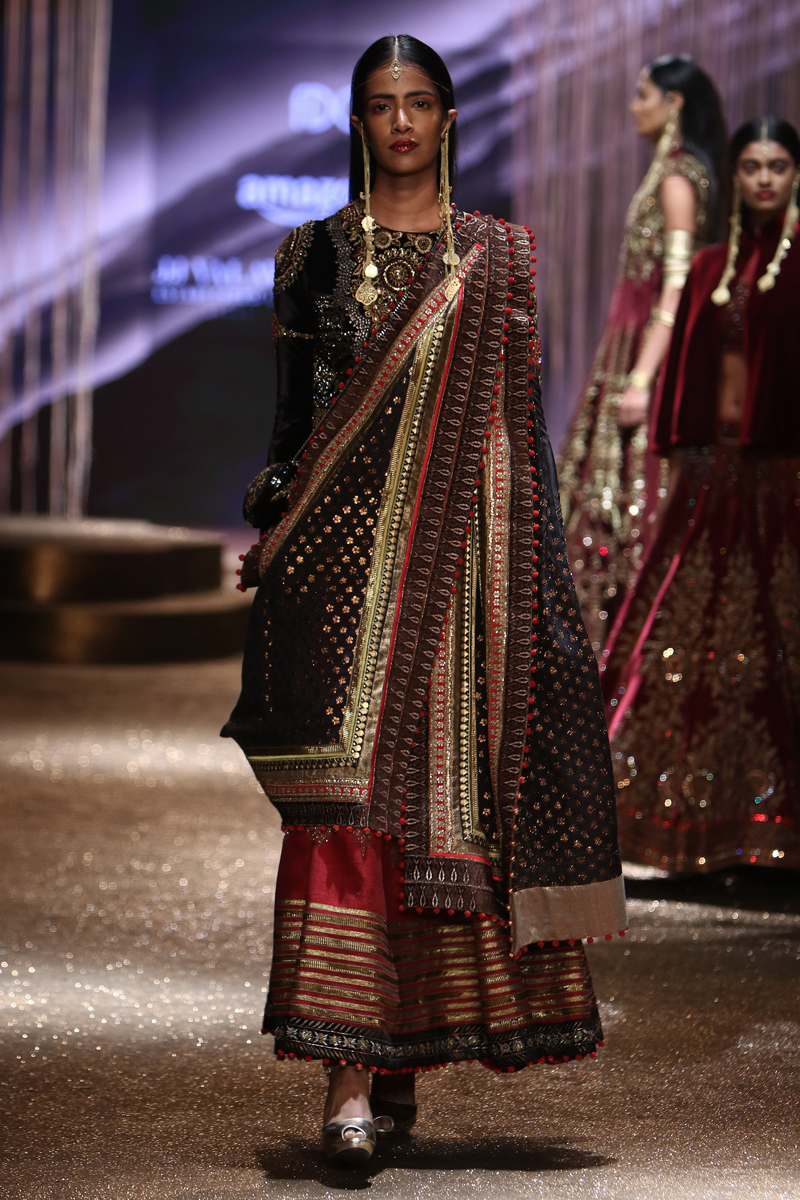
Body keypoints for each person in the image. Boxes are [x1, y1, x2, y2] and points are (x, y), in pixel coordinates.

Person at [224, 35, 625, 1168]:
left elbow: (518, 438)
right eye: (378, 104)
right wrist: (274, 515)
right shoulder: (311, 253)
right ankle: (347, 1080)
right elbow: (294, 427)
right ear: (357, 122)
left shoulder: (495, 256)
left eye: (417, 102)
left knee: (437, 810)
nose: (399, 121)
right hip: (340, 578)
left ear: (447, 118)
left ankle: (394, 1058)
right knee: (346, 805)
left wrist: (538, 596)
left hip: (459, 583)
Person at [601, 116, 800, 874]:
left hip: (784, 475)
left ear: (795, 174)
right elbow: (689, 364)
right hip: (713, 474)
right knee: (681, 639)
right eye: (751, 165)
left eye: (777, 165)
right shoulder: (714, 264)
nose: (764, 179)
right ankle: (691, 827)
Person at [558, 55, 727, 653]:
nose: (634, 107)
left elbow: (676, 288)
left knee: (629, 502)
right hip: (628, 350)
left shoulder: (678, 178)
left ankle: (627, 649)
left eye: (643, 94)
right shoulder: (674, 173)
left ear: (673, 104)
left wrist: (642, 378)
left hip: (643, 356)